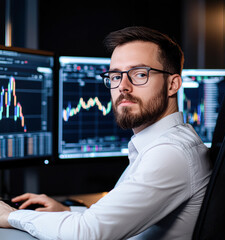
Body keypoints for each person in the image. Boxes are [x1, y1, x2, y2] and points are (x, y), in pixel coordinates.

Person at [0, 26, 211, 240]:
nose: (123, 87)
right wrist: (68, 212)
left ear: (172, 84)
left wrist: (13, 216)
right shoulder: (161, 143)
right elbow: (109, 221)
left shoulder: (170, 153)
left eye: (139, 74)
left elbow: (88, 234)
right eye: (115, 75)